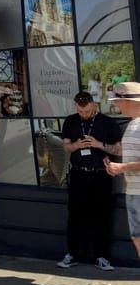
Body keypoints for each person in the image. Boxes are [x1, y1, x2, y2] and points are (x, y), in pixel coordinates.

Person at [57, 91, 122, 270]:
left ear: (93, 104)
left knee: (102, 215)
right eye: (80, 111)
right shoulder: (71, 121)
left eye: (86, 111)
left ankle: (102, 256)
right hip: (78, 174)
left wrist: (99, 145)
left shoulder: (107, 123)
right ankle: (72, 254)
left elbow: (119, 150)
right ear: (75, 107)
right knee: (75, 215)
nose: (83, 114)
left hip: (101, 174)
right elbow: (66, 147)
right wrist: (77, 145)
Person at [103, 82, 140, 285]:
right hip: (134, 191)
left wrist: (122, 167)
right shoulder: (133, 124)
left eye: (118, 101)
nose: (117, 105)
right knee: (138, 241)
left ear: (129, 101)